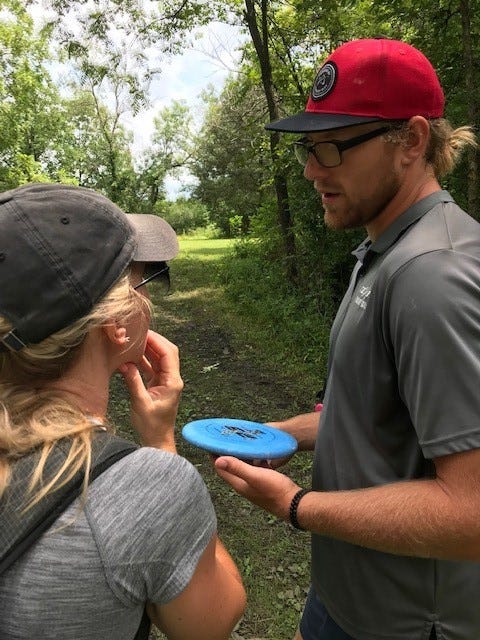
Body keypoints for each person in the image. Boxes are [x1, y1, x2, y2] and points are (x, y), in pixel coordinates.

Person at [214, 37, 480, 640]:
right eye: (310, 147)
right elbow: (371, 412)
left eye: (332, 146)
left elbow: (472, 512)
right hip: (345, 597)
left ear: (412, 141)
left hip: (403, 622)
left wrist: (295, 505)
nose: (312, 170)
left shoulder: (432, 273)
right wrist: (274, 435)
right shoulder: (384, 252)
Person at [0, 183, 246, 640]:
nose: (149, 302)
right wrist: (162, 446)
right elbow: (212, 623)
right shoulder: (149, 489)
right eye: (145, 284)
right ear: (115, 324)